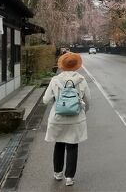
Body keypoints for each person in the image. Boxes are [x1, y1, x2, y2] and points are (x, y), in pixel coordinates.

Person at [42, 52, 91, 186]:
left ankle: (58, 173)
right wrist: (84, 111)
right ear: (76, 66)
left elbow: (45, 100)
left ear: (62, 66)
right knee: (72, 145)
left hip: (58, 118)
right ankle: (69, 177)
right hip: (76, 118)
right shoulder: (81, 80)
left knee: (59, 144)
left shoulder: (55, 80)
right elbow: (88, 99)